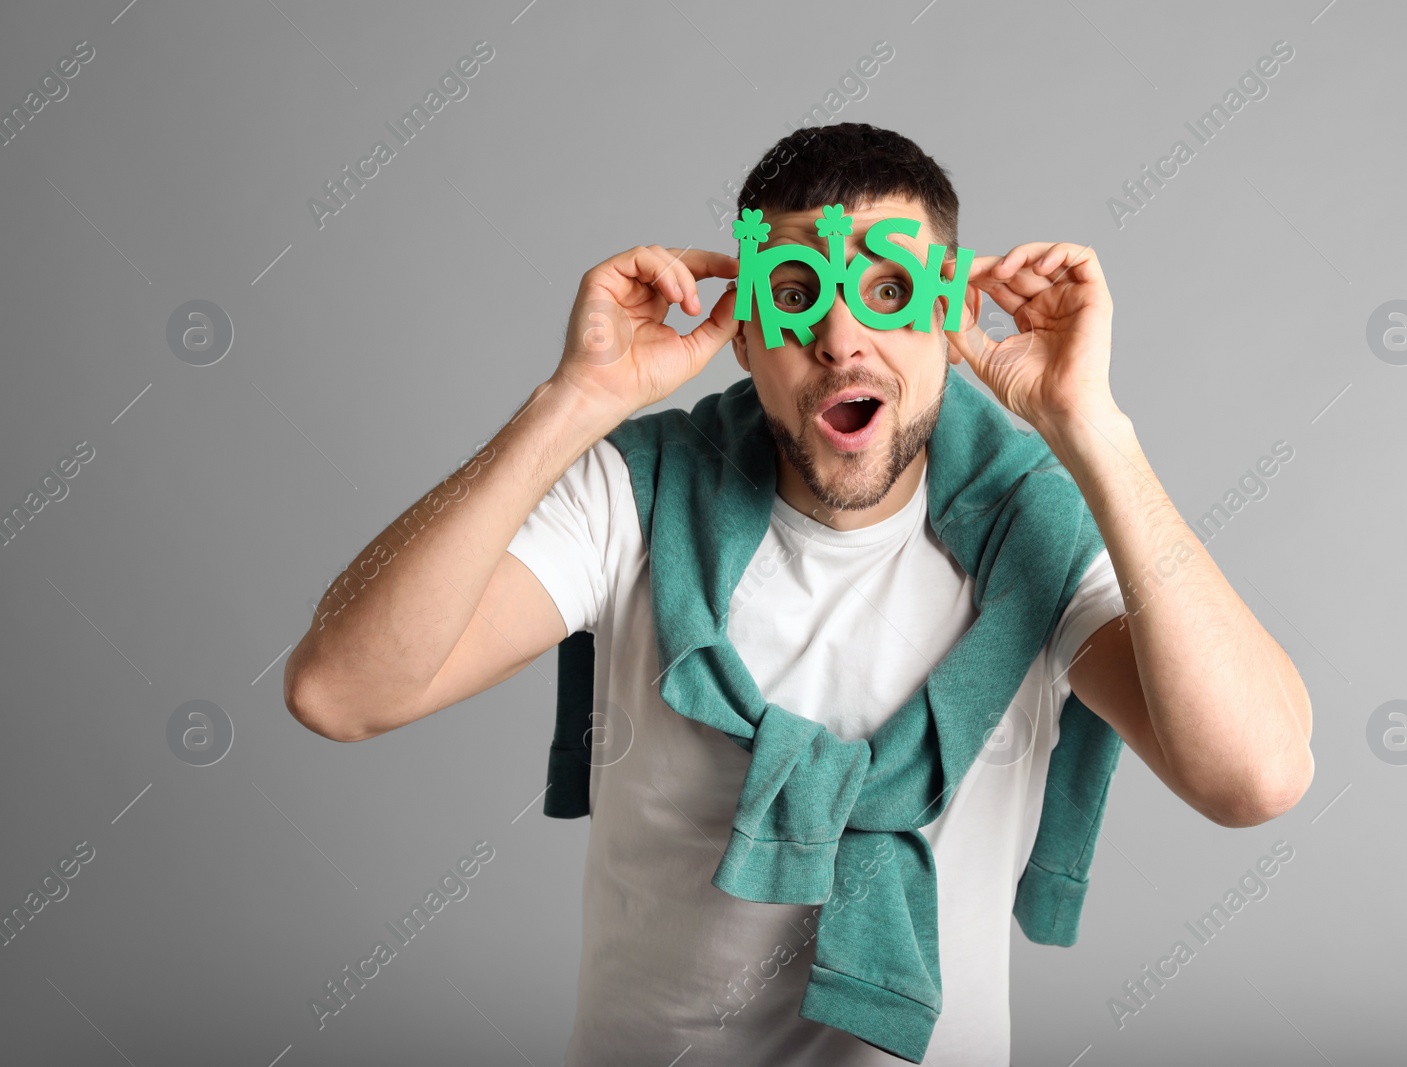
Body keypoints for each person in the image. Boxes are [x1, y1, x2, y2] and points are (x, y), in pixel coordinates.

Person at [283, 123, 1315, 1065]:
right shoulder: (638, 495)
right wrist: (572, 403)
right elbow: (340, 690)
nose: (837, 336)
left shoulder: (1030, 528)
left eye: (888, 291)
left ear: (952, 318)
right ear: (739, 334)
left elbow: (1255, 775)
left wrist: (1092, 431)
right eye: (792, 293)